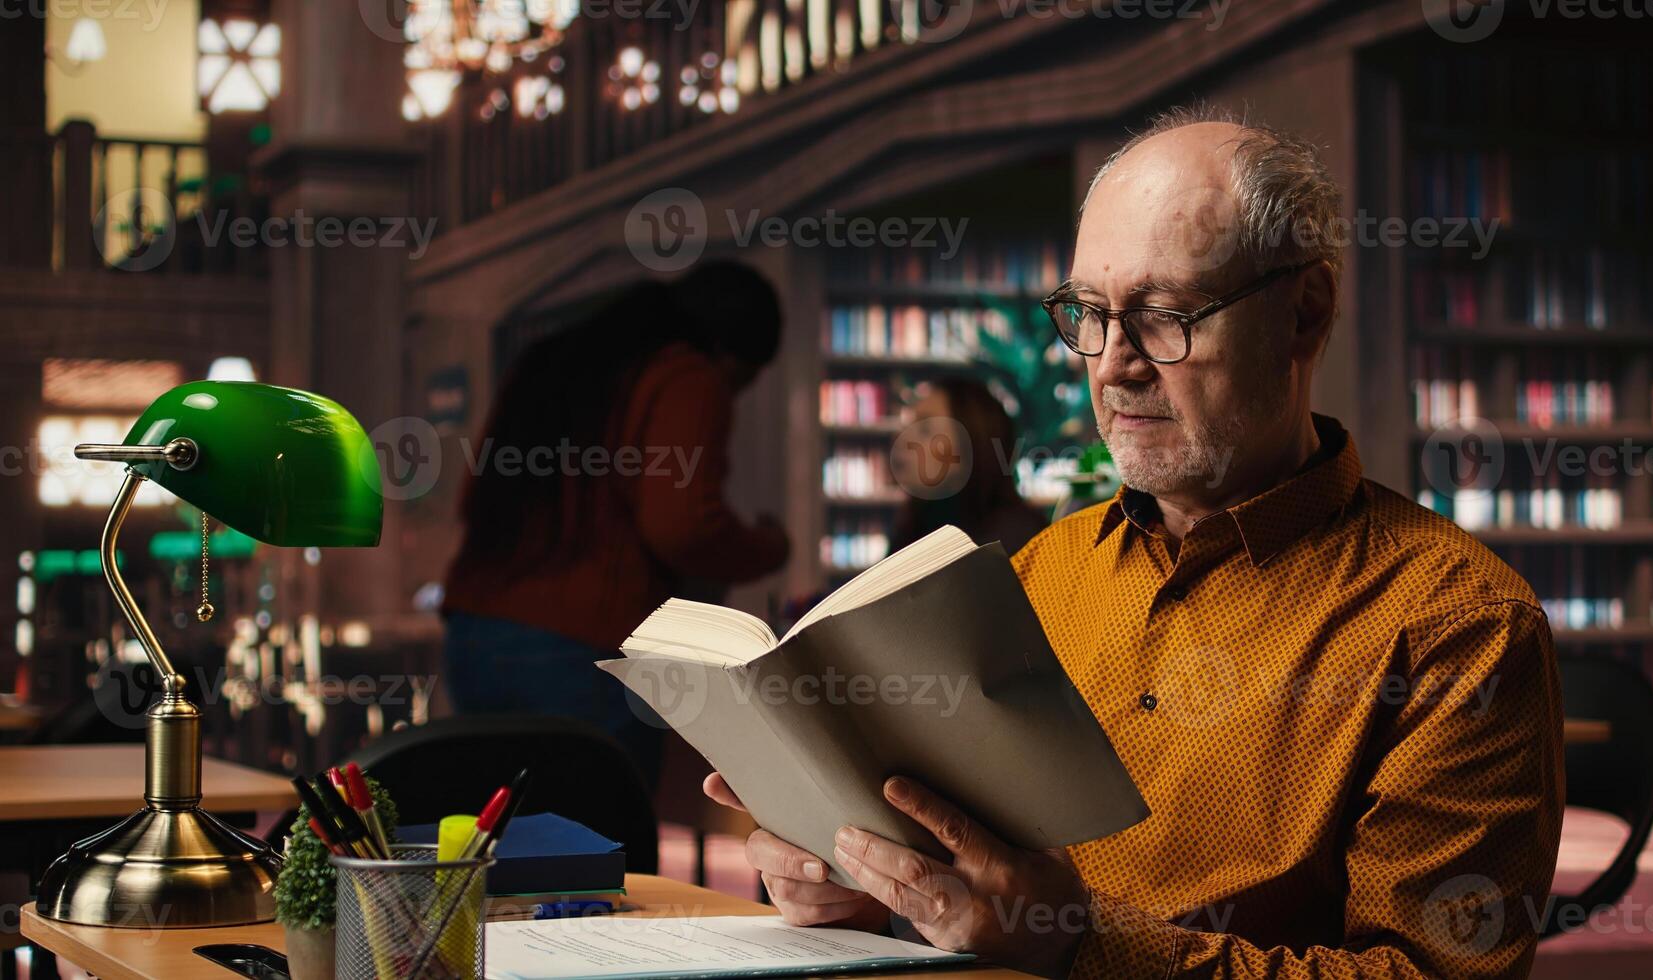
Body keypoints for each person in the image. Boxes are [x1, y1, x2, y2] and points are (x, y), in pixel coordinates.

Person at [704, 105, 1564, 978]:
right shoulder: (1037, 574)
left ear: (1304, 314)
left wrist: (1082, 945)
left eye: (1163, 314)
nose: (1114, 362)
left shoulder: (1462, 626)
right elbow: (963, 885)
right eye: (1090, 313)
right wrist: (862, 884)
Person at [443, 264, 790, 787]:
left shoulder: (550, 364)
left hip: (474, 636)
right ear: (729, 351)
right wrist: (768, 546)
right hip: (582, 653)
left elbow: (473, 494)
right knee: (603, 849)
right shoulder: (686, 375)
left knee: (501, 846)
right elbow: (683, 525)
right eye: (743, 379)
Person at [891, 376, 1047, 554]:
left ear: (970, 447)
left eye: (925, 429)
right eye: (907, 426)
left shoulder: (1019, 540)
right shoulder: (914, 526)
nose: (901, 438)